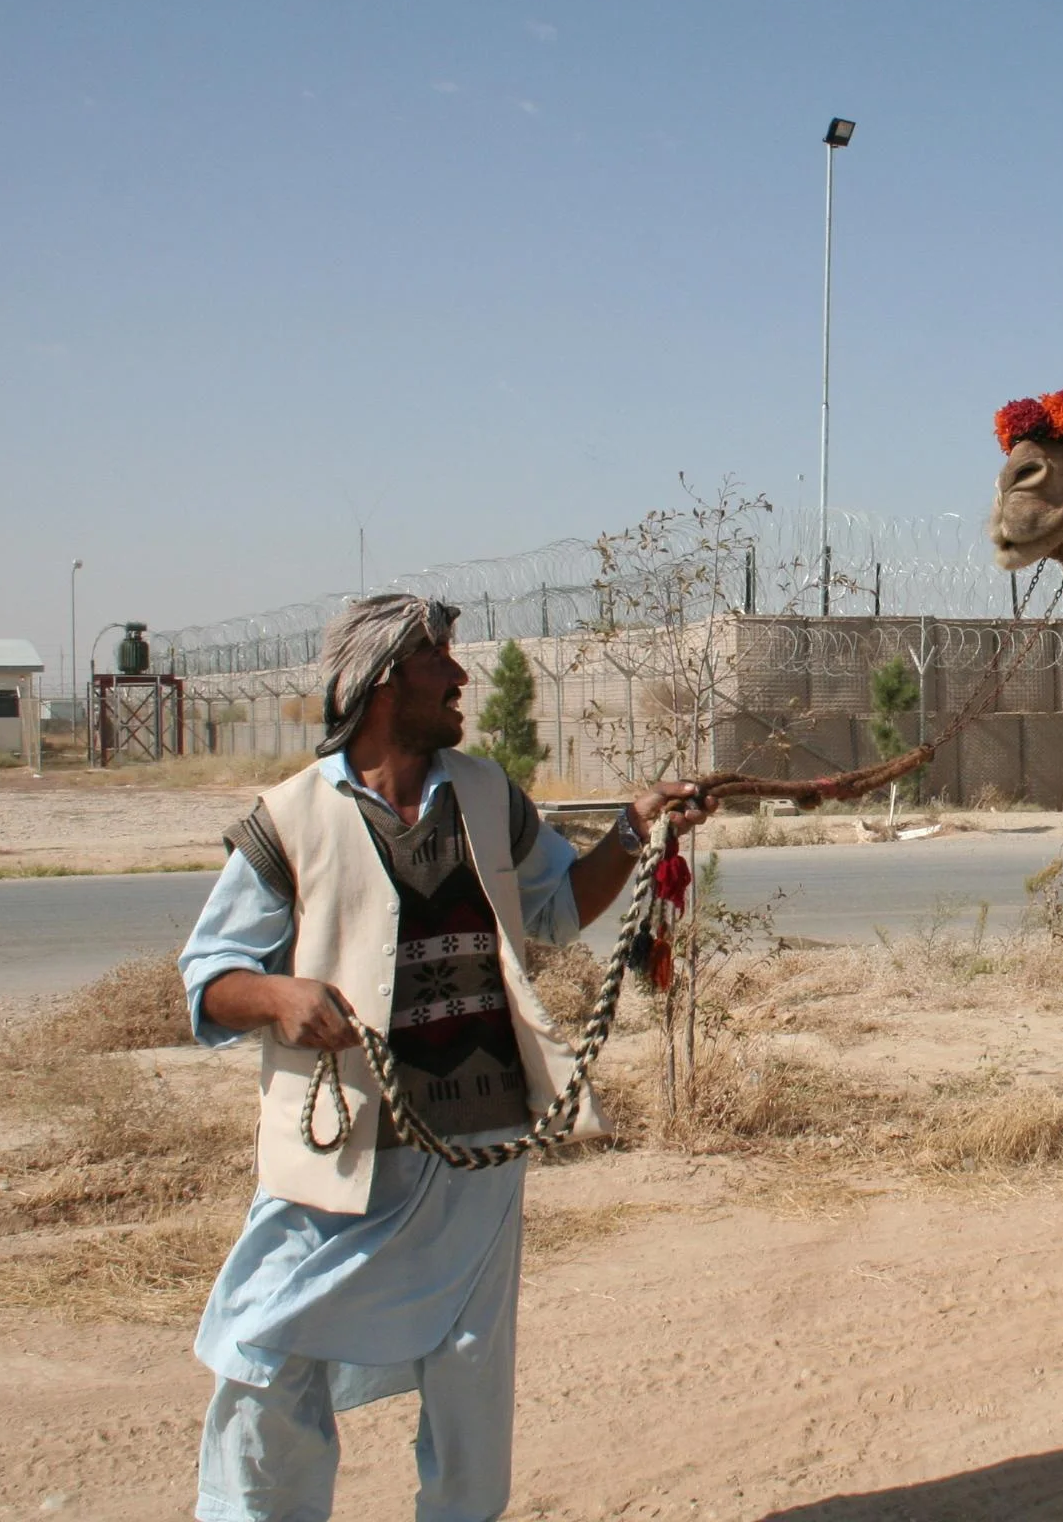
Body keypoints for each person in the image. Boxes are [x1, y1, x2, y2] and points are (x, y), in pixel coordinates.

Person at [179, 592, 704, 1522]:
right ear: (385, 682)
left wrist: (631, 828)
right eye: (440, 662)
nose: (462, 679)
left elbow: (553, 907)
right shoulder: (290, 818)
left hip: (478, 1146)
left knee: (469, 1377)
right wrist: (280, 997)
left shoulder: (486, 793)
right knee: (265, 1357)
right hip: (339, 1156)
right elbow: (209, 976)